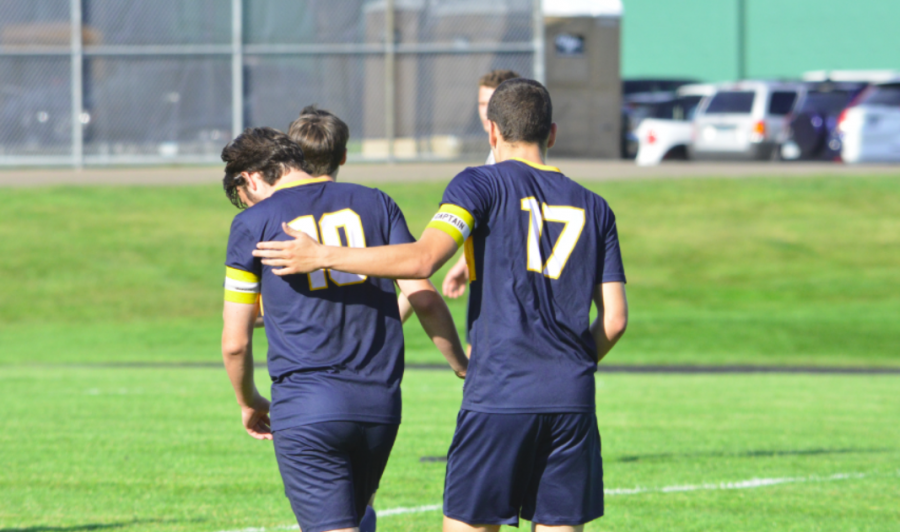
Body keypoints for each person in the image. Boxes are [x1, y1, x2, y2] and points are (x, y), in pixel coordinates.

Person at [251, 78, 629, 532]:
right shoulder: (597, 207)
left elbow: (423, 258)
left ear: (492, 132)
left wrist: (323, 254)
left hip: (500, 391)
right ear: (551, 134)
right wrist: (569, 365)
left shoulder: (479, 184)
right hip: (573, 398)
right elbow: (616, 319)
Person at [220, 122, 468, 532]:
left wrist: (248, 402)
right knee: (356, 518)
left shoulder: (254, 223)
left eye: (241, 195)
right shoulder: (377, 202)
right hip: (381, 406)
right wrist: (460, 362)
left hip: (307, 405)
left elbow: (234, 343)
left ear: (250, 177)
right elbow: (424, 296)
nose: (246, 205)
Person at [442, 69, 521, 302]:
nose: (487, 112)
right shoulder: (493, 157)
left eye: (493, 103)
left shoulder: (510, 163)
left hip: (507, 291)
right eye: (482, 103)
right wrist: (464, 264)